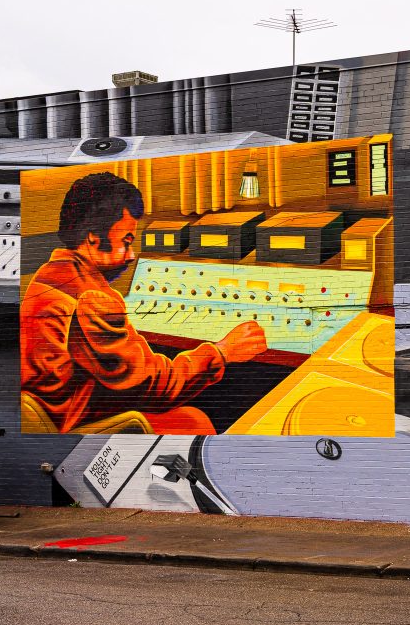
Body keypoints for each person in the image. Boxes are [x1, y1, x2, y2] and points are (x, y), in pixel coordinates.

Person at [21, 172, 267, 435]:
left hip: (54, 411)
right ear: (92, 238)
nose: (131, 255)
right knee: (196, 420)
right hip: (74, 424)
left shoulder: (48, 275)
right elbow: (156, 386)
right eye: (126, 241)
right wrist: (222, 352)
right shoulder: (92, 299)